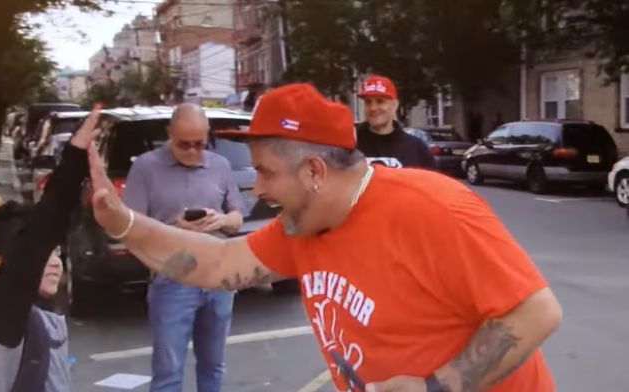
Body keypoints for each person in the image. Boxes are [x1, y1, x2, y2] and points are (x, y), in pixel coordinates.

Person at [87, 83, 562, 392]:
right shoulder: (303, 226)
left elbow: (536, 310)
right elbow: (218, 264)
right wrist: (123, 222)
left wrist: (438, 385)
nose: (257, 188)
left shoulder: (433, 207)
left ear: (315, 170)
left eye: (268, 172)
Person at [0, 107, 101, 392]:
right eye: (42, 255)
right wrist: (74, 158)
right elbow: (39, 233)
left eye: (57, 253)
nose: (54, 262)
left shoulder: (29, 310)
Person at [122, 103, 245, 392]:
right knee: (168, 370)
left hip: (217, 270)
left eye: (199, 144)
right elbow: (132, 228)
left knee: (213, 364)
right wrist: (175, 229)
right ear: (169, 134)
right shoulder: (145, 167)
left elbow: (237, 219)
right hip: (173, 271)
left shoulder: (220, 165)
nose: (192, 151)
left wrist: (221, 219)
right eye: (183, 144)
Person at [356, 75, 434, 169]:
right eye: (368, 102)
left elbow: (430, 182)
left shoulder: (415, 148)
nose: (373, 108)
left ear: (394, 105)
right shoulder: (350, 146)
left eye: (380, 101)